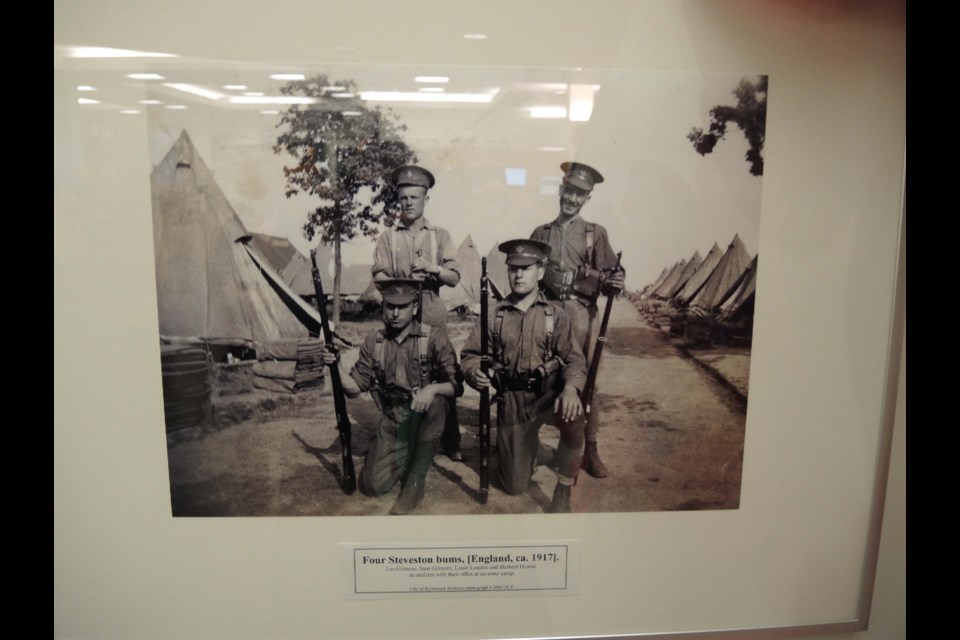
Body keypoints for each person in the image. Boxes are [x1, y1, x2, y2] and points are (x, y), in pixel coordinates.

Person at [461, 239, 587, 513]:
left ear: (540, 272)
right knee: (514, 485)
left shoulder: (557, 315)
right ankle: (536, 451)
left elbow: (575, 359)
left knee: (575, 416)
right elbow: (469, 355)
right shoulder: (493, 315)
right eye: (513, 268)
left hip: (548, 395)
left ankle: (563, 487)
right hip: (512, 401)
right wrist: (475, 373)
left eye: (526, 268)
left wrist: (571, 390)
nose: (518, 275)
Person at [321, 279, 458, 515]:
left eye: (402, 306)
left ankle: (415, 482)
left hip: (425, 414)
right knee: (372, 486)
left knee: (438, 402)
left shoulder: (434, 338)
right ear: (383, 306)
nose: (395, 313)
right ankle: (412, 453)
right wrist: (337, 366)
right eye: (389, 306)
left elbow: (456, 385)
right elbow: (354, 388)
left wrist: (432, 389)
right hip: (395, 419)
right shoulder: (374, 341)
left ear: (414, 307)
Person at [529, 162, 625, 479]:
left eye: (579, 194)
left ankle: (590, 450)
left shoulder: (595, 234)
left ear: (587, 198)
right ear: (561, 189)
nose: (572, 198)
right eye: (568, 190)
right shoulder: (541, 234)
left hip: (582, 317)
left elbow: (614, 273)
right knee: (544, 379)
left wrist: (614, 281)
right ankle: (538, 445)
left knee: (586, 383)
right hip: (546, 316)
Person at [371, 165, 465, 462]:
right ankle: (404, 435)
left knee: (442, 372)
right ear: (397, 201)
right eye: (403, 198)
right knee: (400, 368)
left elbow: (454, 276)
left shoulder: (440, 235)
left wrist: (433, 268)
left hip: (432, 307)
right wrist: (404, 281)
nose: (408, 203)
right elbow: (378, 275)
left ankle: (451, 439)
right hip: (399, 307)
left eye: (414, 197)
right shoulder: (388, 237)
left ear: (426, 199)